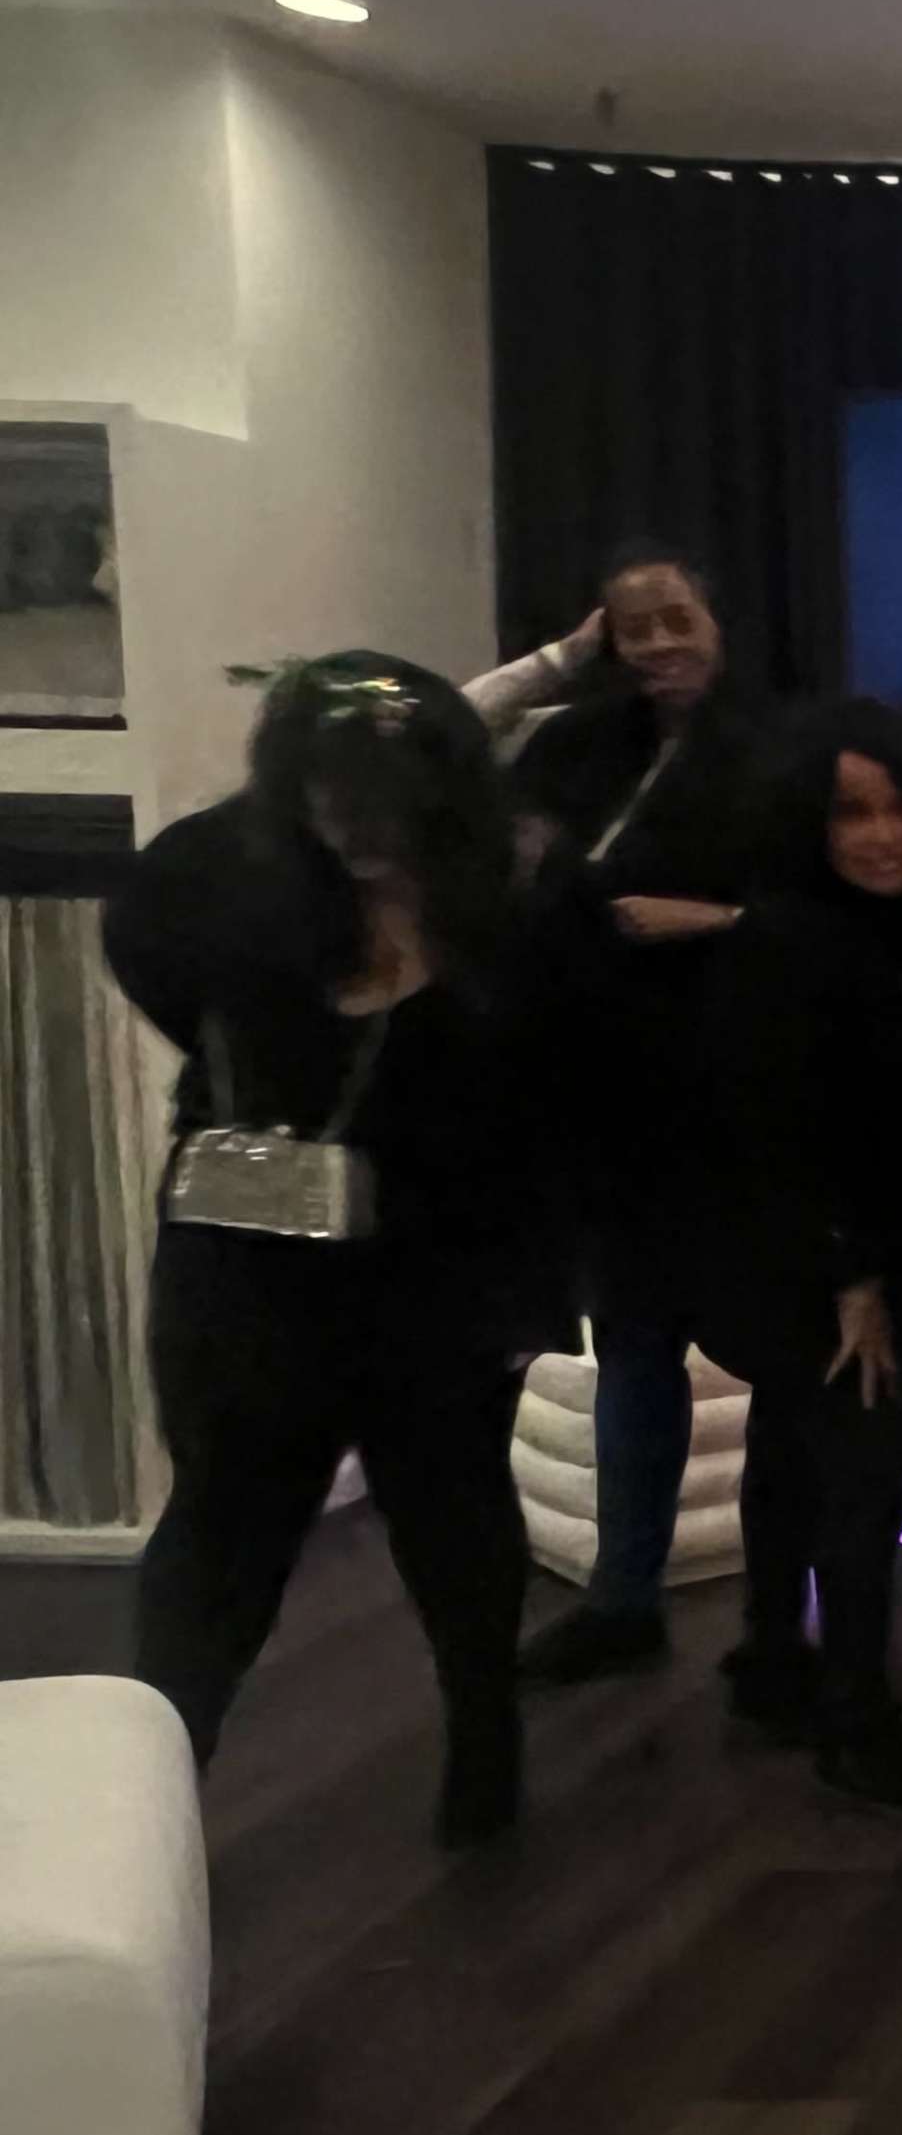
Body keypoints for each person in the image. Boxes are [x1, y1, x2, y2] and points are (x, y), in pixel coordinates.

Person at [107, 657, 551, 1842]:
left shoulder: (507, 911)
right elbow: (145, 957)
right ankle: (147, 1809)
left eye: (386, 807)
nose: (356, 831)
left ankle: (485, 1744)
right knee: (219, 1542)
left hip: (439, 1282)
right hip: (242, 1278)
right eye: (329, 801)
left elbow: (551, 1106)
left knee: (454, 1523)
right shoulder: (215, 883)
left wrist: (526, 1283)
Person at [693, 698, 902, 1816]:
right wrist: (852, 1279)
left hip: (842, 1254)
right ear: (809, 825)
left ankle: (773, 1664)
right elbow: (782, 1128)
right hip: (823, 1266)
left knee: (792, 1456)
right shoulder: (788, 939)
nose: (884, 836)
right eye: (853, 815)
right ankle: (858, 1721)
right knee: (869, 1488)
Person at [504, 543, 772, 1686]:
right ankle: (625, 1599)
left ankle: (789, 1626)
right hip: (604, 1103)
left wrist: (718, 920)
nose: (658, 646)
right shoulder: (570, 746)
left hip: (741, 1098)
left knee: (789, 1374)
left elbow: (843, 911)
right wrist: (553, 667)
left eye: (677, 618)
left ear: (722, 618)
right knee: (634, 1354)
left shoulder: (782, 747)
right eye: (630, 629)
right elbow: (452, 783)